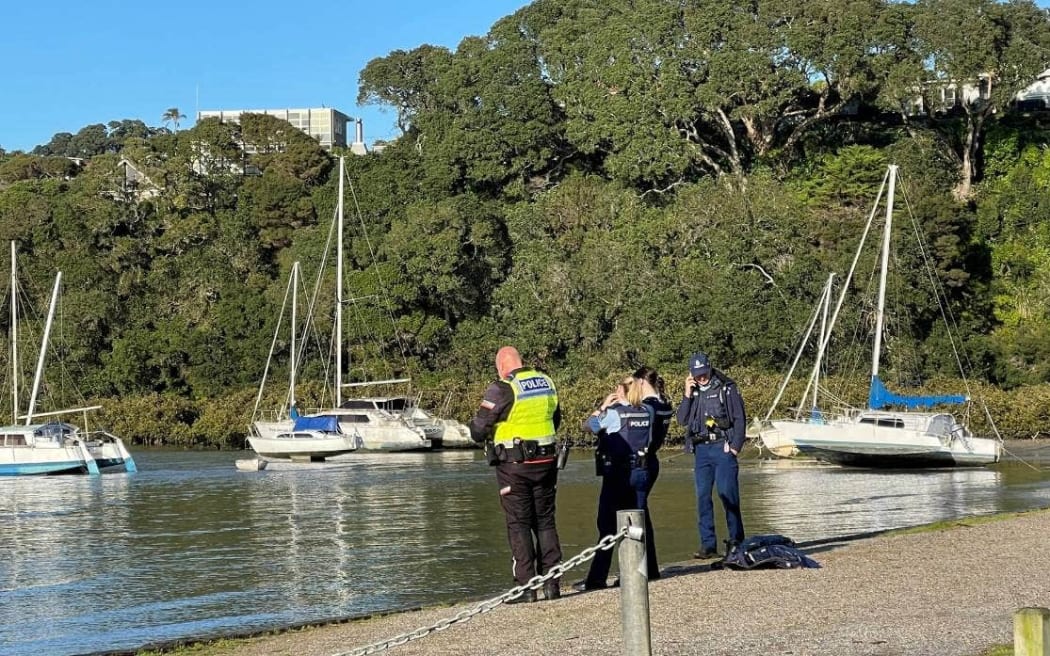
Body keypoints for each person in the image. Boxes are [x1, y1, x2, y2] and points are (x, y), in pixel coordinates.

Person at [469, 346, 563, 603]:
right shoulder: (546, 381)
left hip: (514, 465)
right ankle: (552, 585)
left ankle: (525, 588)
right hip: (546, 461)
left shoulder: (503, 387)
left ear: (501, 366)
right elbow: (556, 420)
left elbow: (478, 429)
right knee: (545, 521)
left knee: (518, 523)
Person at [580, 376, 661, 589]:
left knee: (606, 525)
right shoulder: (647, 411)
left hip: (618, 474)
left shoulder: (615, 414)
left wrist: (603, 406)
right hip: (641, 472)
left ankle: (597, 579)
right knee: (637, 523)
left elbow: (589, 426)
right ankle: (639, 571)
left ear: (621, 392)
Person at [675, 352, 746, 559]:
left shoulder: (727, 388)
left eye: (704, 373)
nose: (702, 378)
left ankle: (736, 541)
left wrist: (735, 447)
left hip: (722, 447)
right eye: (697, 375)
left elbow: (739, 419)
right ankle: (708, 544)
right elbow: (682, 419)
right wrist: (687, 394)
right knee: (702, 497)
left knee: (727, 495)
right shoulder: (694, 391)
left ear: (710, 368)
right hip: (701, 451)